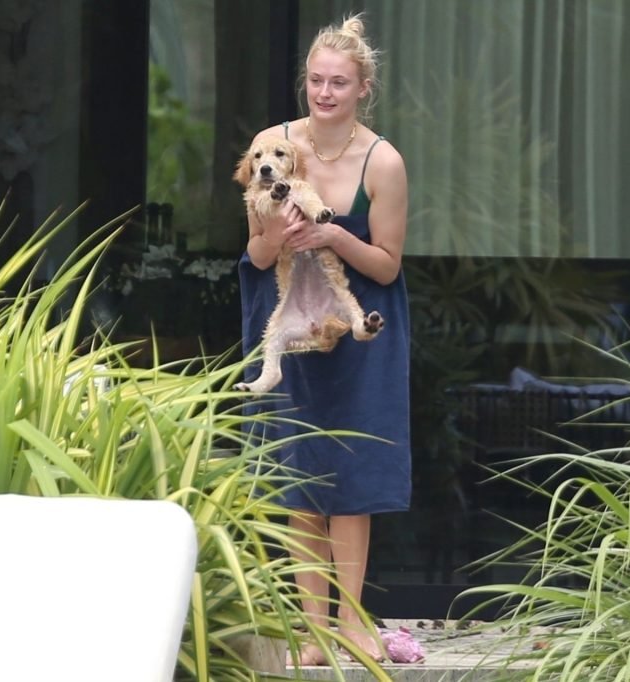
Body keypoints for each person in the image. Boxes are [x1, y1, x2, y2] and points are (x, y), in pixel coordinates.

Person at [237, 13, 411, 666]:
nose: (324, 93)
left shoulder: (383, 161)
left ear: (363, 87)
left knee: (352, 479)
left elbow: (387, 266)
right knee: (298, 475)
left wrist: (335, 234)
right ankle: (312, 632)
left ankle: (353, 624)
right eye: (315, 80)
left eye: (338, 82)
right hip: (291, 319)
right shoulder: (271, 146)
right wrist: (278, 234)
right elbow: (255, 256)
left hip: (359, 325)